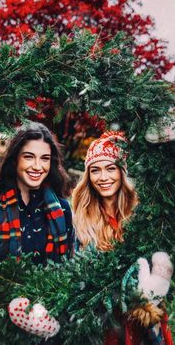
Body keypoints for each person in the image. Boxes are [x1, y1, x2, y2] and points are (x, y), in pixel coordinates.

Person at [72, 131, 173, 345]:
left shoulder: (142, 212)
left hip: (145, 312)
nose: (103, 177)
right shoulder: (81, 219)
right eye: (95, 170)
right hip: (104, 318)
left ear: (122, 172)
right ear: (88, 176)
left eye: (111, 168)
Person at [0, 121, 74, 265]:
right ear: (15, 159)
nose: (37, 166)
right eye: (29, 157)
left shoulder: (62, 208)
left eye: (44, 158)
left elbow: (67, 266)